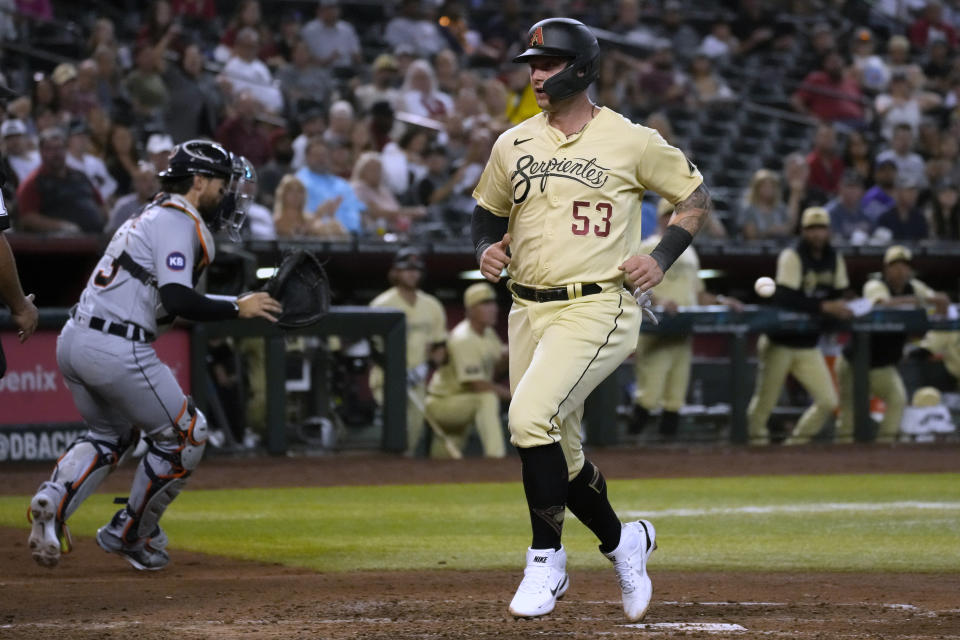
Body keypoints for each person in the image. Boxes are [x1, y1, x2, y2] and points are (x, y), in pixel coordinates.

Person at [472, 18, 712, 622]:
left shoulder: (631, 140)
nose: (535, 74)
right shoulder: (513, 142)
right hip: (526, 308)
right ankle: (622, 540)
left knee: (527, 417)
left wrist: (660, 257)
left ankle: (545, 559)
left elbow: (694, 198)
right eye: (532, 63)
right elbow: (486, 211)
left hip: (597, 304)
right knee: (562, 452)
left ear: (580, 68)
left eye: (547, 64)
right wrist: (484, 249)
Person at [26, 140, 283, 570]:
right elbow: (179, 299)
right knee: (188, 434)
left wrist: (233, 303)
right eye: (223, 183)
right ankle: (132, 534)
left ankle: (53, 500)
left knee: (112, 434)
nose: (229, 194)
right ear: (199, 181)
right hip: (114, 346)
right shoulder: (177, 220)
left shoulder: (150, 214)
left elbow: (167, 303)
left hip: (74, 338)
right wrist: (238, 307)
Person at [630, 200, 743, 440]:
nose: (674, 221)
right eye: (669, 216)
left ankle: (669, 460)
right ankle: (626, 450)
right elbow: (631, 285)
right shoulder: (648, 245)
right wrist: (659, 302)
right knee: (648, 396)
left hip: (683, 331)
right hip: (656, 330)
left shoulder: (689, 251)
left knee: (675, 399)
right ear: (662, 219)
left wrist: (722, 301)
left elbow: (698, 293)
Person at [746, 207, 853, 446]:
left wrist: (839, 307)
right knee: (764, 404)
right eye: (812, 229)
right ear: (803, 231)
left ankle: (793, 446)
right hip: (780, 342)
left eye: (821, 229)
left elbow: (838, 293)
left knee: (828, 401)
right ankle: (755, 451)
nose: (817, 234)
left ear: (828, 231)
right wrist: (825, 307)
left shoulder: (834, 258)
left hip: (808, 344)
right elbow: (786, 297)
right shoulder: (792, 255)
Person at [834, 245, 948, 444]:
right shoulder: (875, 284)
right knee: (849, 417)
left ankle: (882, 449)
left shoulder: (914, 286)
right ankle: (841, 460)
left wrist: (938, 300)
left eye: (905, 266)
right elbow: (881, 304)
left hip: (883, 365)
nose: (901, 270)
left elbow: (939, 301)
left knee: (897, 401)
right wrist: (920, 301)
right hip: (856, 362)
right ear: (886, 269)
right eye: (895, 265)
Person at [369, 247, 447, 457]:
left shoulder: (431, 305)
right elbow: (373, 347)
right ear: (396, 272)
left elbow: (439, 346)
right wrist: (394, 371)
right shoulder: (381, 304)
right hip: (386, 378)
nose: (412, 273)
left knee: (413, 431)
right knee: (393, 426)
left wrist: (425, 367)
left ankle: (402, 475)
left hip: (417, 378)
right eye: (406, 269)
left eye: (416, 269)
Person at [424, 282, 509, 459]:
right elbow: (478, 385)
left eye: (493, 303)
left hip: (461, 402)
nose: (492, 308)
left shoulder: (488, 333)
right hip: (443, 404)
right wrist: (515, 396)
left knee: (443, 464)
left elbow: (498, 365)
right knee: (486, 398)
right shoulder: (464, 338)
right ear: (470, 310)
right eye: (485, 304)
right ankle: (496, 458)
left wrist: (513, 354)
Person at [17, 127, 106, 233]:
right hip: (61, 244)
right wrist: (60, 226)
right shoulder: (33, 183)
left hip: (96, 238)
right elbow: (27, 217)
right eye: (50, 149)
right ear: (41, 152)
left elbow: (101, 205)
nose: (56, 153)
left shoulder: (81, 176)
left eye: (60, 148)